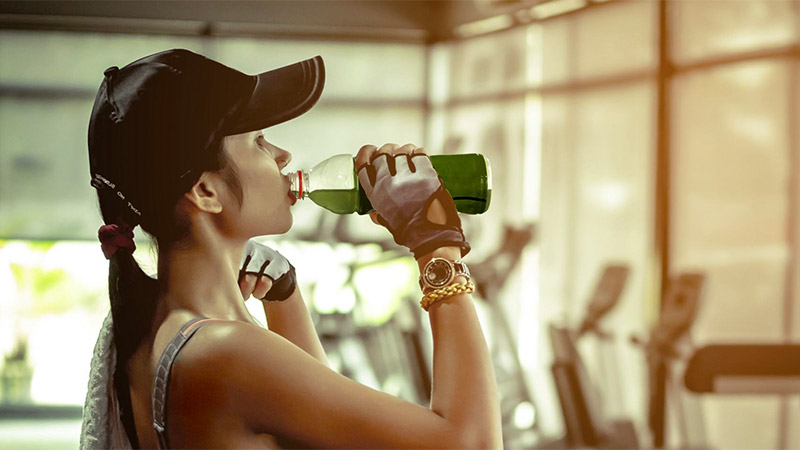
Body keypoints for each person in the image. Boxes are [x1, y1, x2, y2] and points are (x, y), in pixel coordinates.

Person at [80, 48, 502, 449]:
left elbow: (313, 427)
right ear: (205, 191)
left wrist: (285, 297)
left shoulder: (152, 330)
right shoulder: (225, 352)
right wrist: (437, 248)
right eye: (260, 142)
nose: (284, 155)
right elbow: (470, 444)